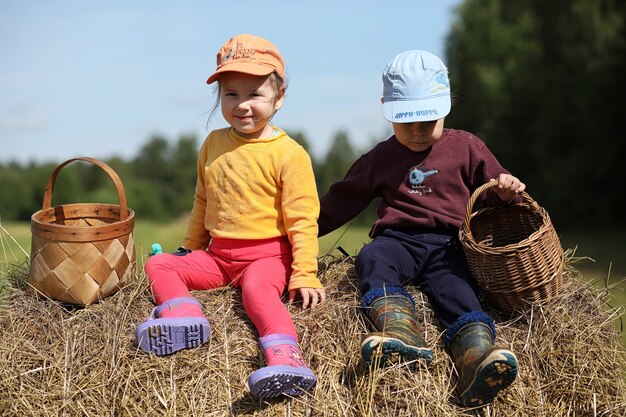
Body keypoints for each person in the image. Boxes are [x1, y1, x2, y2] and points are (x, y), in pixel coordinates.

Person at [317, 50, 522, 408]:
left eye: (426, 121)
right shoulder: (379, 158)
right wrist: (298, 228)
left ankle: (475, 357)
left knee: (458, 292)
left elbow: (493, 195)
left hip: (449, 246)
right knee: (372, 258)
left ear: (446, 107)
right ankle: (399, 329)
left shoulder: (467, 147)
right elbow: (342, 199)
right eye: (405, 121)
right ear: (386, 108)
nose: (416, 132)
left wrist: (506, 192)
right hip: (398, 241)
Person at [134, 34, 325, 400]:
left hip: (268, 257)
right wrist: (190, 249)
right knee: (160, 265)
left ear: (279, 97)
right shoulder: (212, 144)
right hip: (220, 257)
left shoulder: (289, 153)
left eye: (254, 94)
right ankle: (184, 316)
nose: (242, 106)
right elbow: (203, 201)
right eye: (230, 95)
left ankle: (287, 358)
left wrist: (305, 273)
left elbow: (303, 220)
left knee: (257, 293)